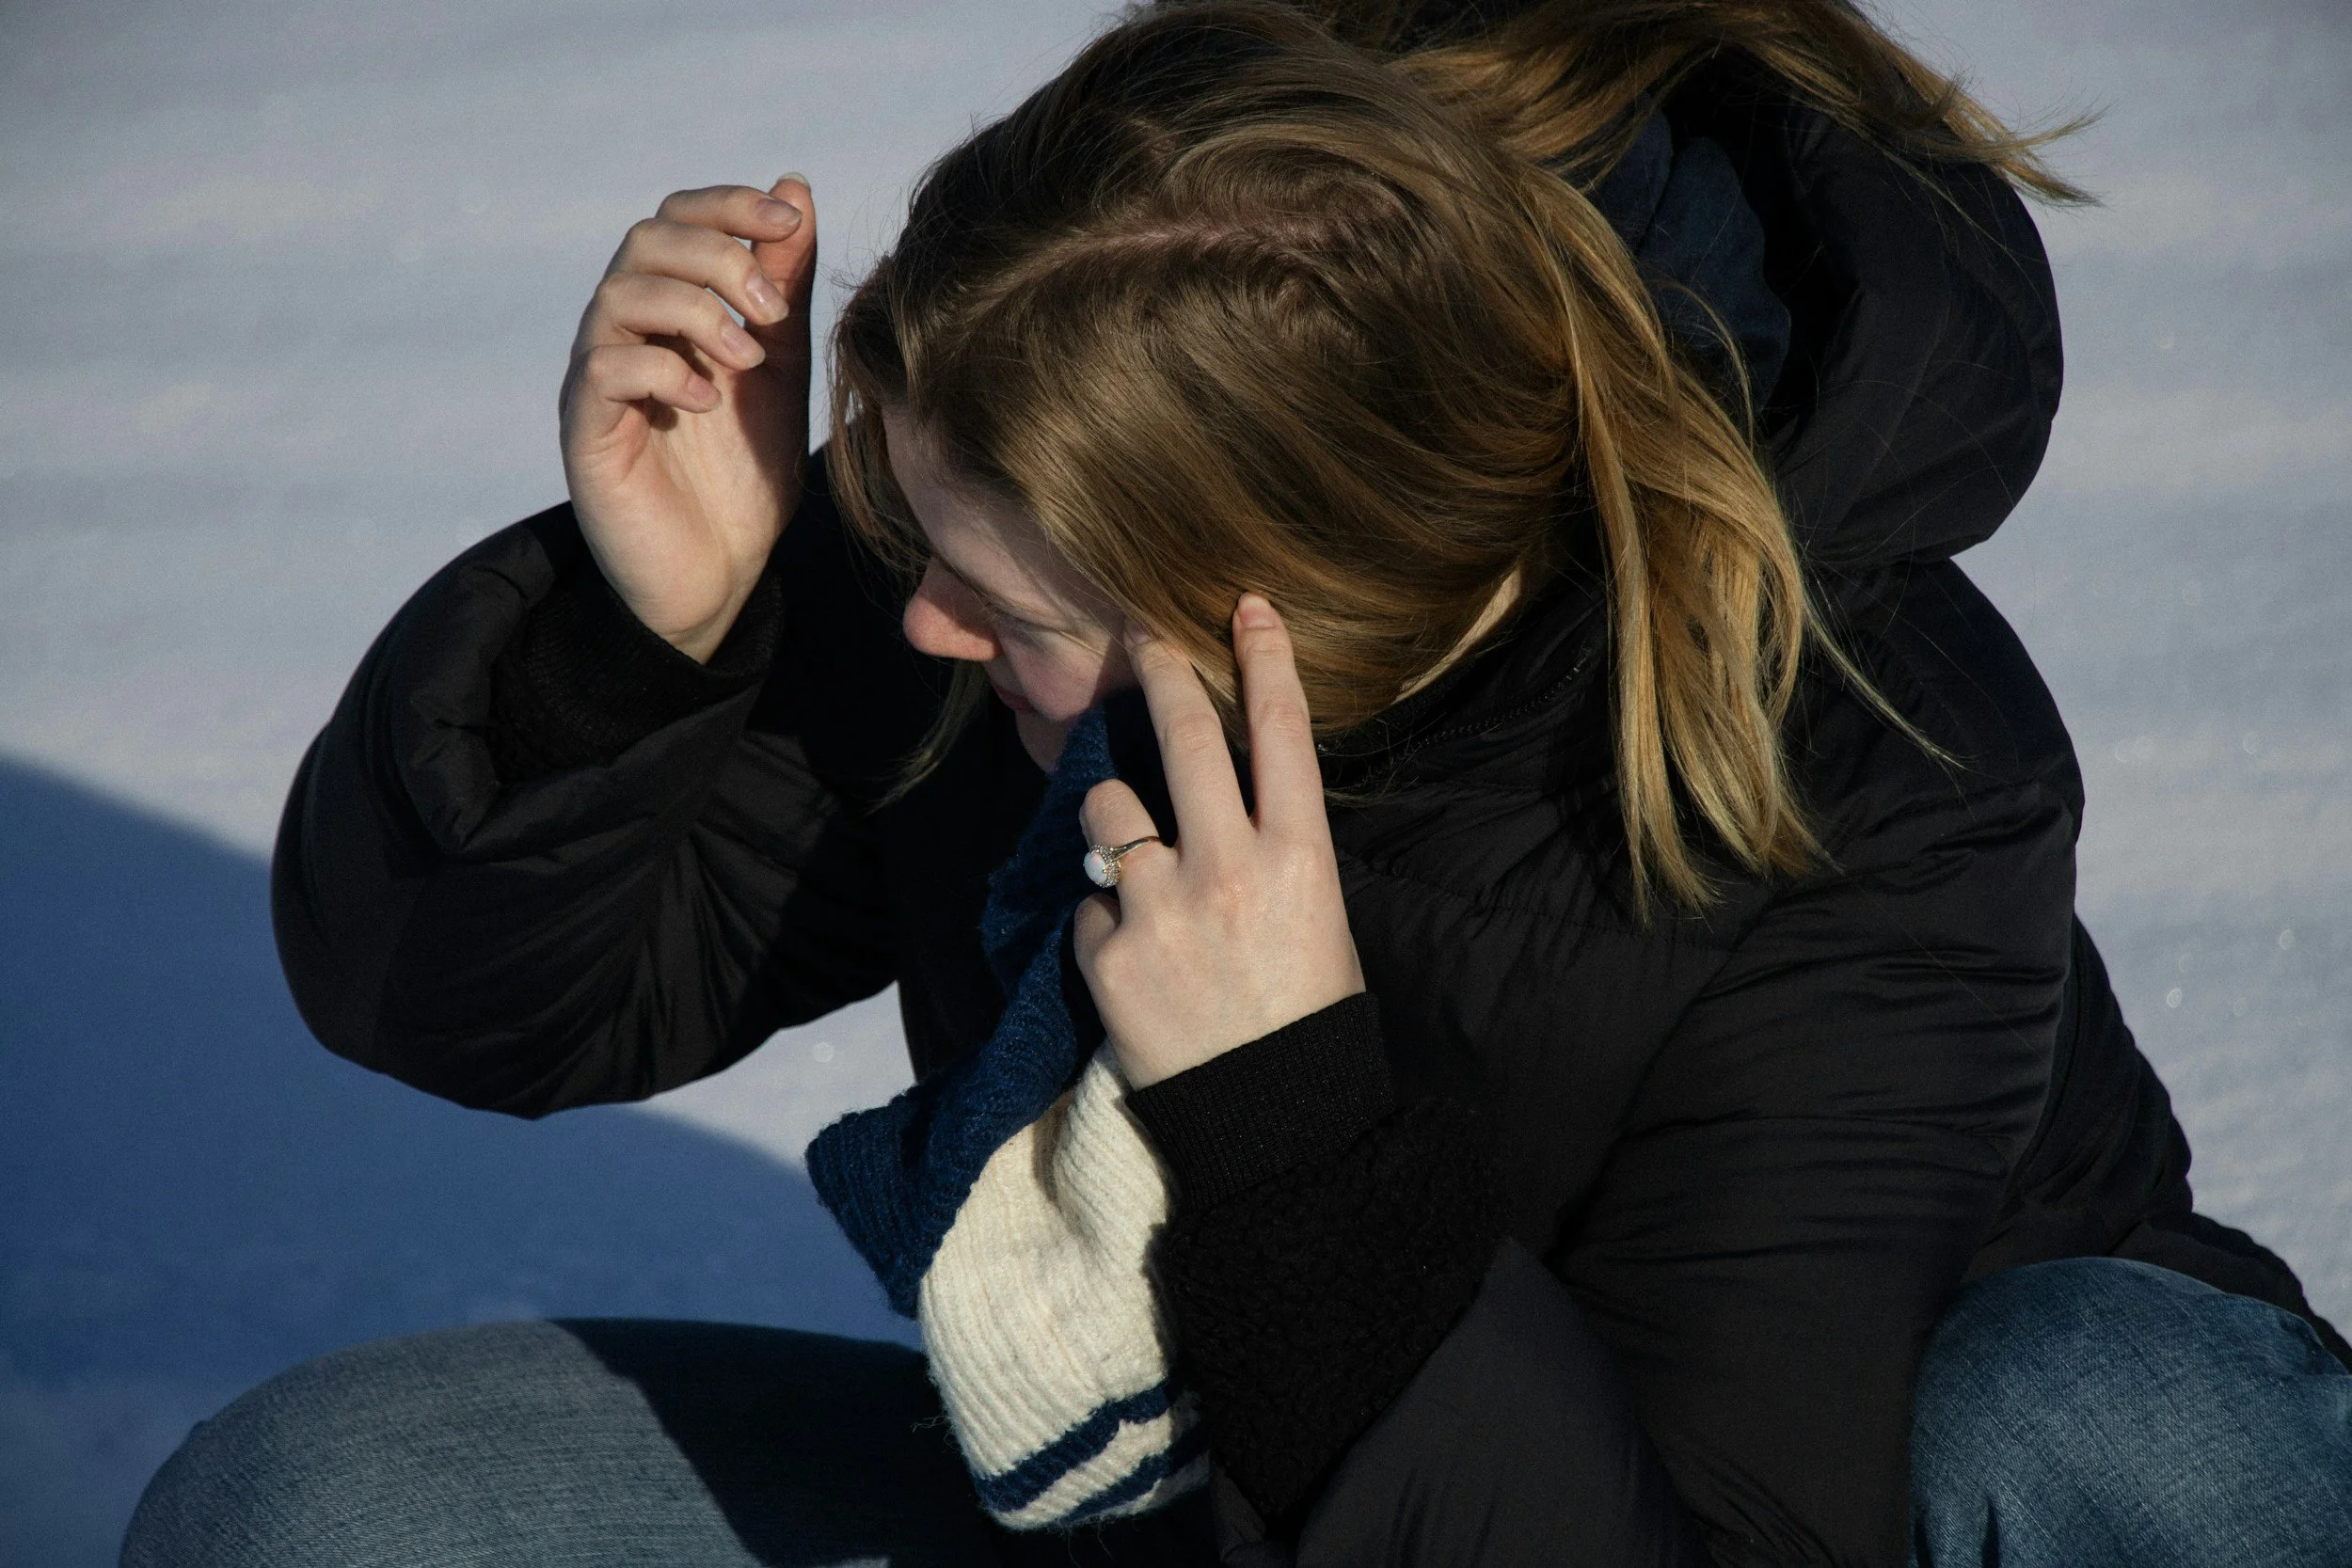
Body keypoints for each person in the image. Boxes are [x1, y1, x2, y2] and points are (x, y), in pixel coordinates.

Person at [125, 2, 2352, 1565]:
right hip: (1167, 1505)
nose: (922, 622)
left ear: (1263, 601)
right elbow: (479, 1006)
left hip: (1829, 1509)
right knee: (325, 1508)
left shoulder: (1874, 784)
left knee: (2119, 1412)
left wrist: (1288, 1117)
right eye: (910, 536)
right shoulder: (1036, 564)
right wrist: (662, 639)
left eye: (998, 598)